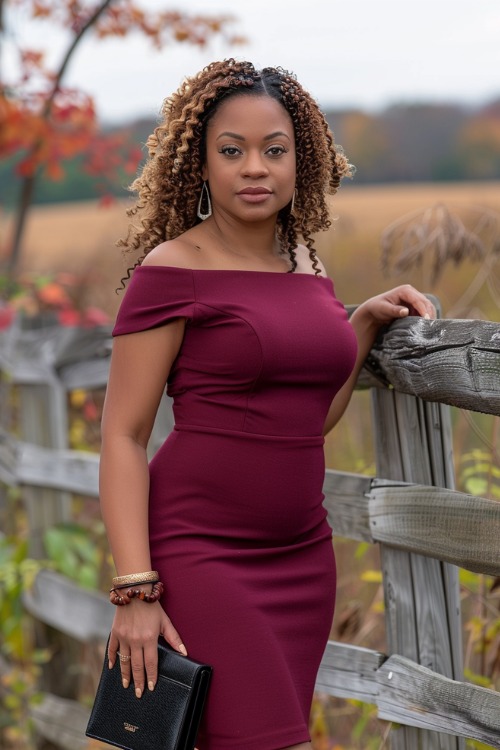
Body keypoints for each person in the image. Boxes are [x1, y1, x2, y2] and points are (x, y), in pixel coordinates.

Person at [99, 58, 435, 750]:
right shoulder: (171, 271)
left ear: (299, 160)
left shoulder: (308, 270)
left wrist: (362, 326)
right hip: (202, 553)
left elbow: (309, 417)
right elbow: (123, 436)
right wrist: (137, 590)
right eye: (232, 151)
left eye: (273, 150)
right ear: (201, 164)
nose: (255, 168)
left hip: (302, 555)